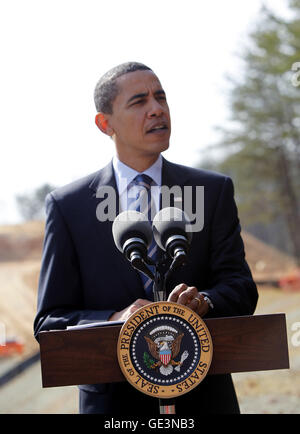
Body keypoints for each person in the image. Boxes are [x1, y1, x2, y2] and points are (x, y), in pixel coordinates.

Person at [34, 62, 258, 414]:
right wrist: (114, 318)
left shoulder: (211, 191)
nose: (157, 109)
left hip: (204, 399)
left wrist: (205, 302)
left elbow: (241, 289)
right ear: (105, 124)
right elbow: (50, 321)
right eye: (139, 101)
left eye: (161, 97)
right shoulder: (68, 207)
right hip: (113, 405)